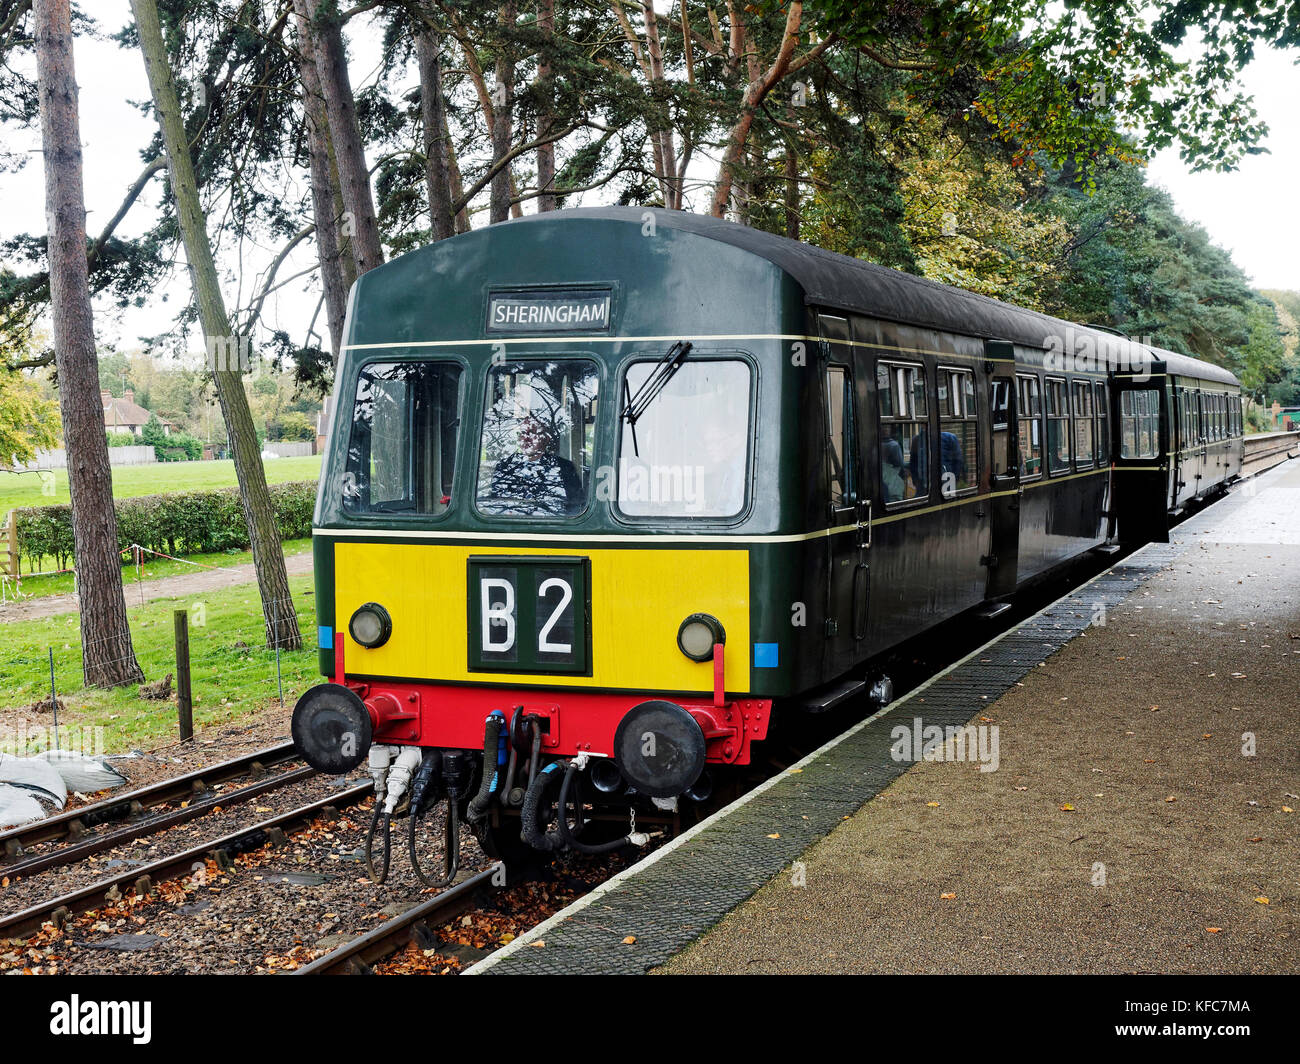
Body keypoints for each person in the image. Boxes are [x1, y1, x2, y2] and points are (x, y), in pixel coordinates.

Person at [487, 414, 584, 515]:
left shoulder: (565, 467)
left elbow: (576, 506)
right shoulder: (504, 467)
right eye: (522, 433)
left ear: (546, 439)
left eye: (532, 434)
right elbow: (495, 505)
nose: (526, 439)